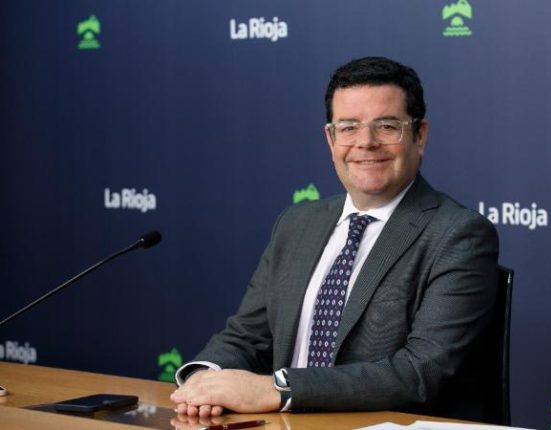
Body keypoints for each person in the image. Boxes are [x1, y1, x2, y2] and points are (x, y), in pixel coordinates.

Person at [170, 57, 499, 419]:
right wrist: (204, 381)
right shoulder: (297, 223)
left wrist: (279, 390)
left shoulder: (458, 235)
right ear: (331, 138)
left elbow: (420, 372)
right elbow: (247, 337)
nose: (366, 142)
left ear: (419, 136)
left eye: (387, 126)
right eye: (348, 127)